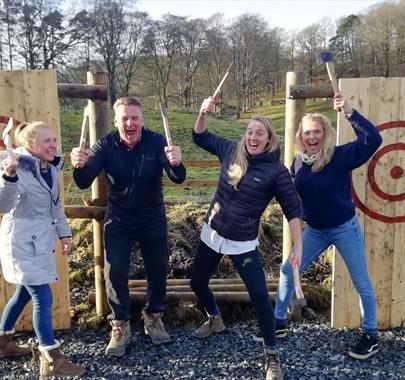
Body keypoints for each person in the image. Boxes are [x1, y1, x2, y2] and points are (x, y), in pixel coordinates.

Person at [190, 97, 302, 380]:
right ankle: (215, 318)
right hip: (212, 232)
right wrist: (203, 112)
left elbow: (292, 209)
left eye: (259, 133)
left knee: (261, 298)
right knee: (196, 282)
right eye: (250, 132)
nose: (253, 137)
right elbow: (199, 136)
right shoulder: (230, 150)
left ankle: (272, 356)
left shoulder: (276, 172)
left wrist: (298, 245)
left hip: (242, 242)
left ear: (268, 140)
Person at [70, 97, 186, 357]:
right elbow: (82, 180)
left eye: (134, 118)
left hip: (152, 216)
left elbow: (177, 178)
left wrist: (177, 162)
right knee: (114, 271)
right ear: (116, 122)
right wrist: (78, 164)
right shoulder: (106, 145)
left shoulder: (156, 142)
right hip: (119, 218)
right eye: (124, 118)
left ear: (142, 121)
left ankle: (154, 317)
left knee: (157, 268)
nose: (130, 123)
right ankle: (120, 325)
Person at [273, 93, 382, 360]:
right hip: (315, 231)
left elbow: (373, 141)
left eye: (317, 132)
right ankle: (277, 323)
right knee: (288, 270)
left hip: (345, 228)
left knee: (361, 282)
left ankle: (371, 335)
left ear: (325, 133)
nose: (312, 137)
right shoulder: (298, 162)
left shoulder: (340, 155)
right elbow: (288, 191)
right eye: (307, 133)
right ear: (301, 135)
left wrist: (351, 113)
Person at [0, 121, 85, 378]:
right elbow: (4, 206)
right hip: (21, 244)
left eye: (54, 140)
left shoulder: (50, 169)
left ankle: (2, 341)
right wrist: (9, 178)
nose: (53, 145)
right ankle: (51, 358)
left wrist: (65, 234)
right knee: (42, 296)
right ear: (30, 145)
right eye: (47, 141)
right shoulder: (17, 167)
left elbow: (55, 207)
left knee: (24, 294)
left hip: (42, 242)